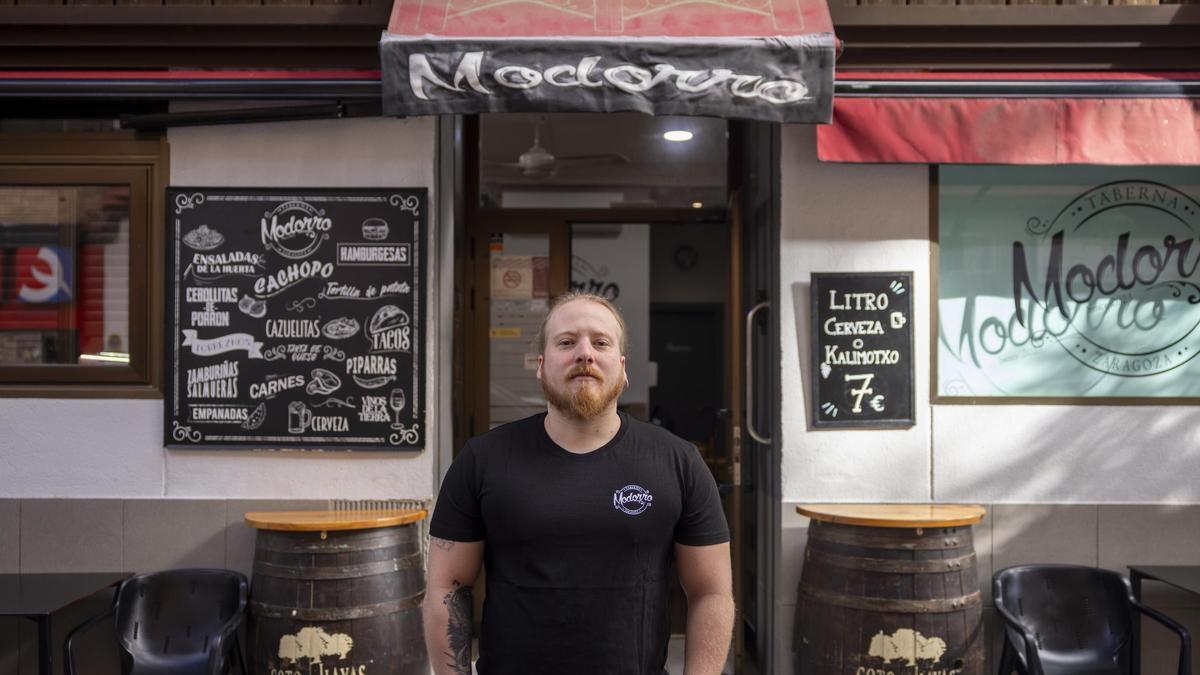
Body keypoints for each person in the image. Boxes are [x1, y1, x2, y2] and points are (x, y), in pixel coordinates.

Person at [423, 292, 734, 675]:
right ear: (541, 365)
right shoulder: (482, 460)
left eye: (600, 342)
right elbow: (447, 586)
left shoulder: (678, 461)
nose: (584, 353)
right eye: (567, 342)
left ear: (622, 367)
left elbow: (711, 592)